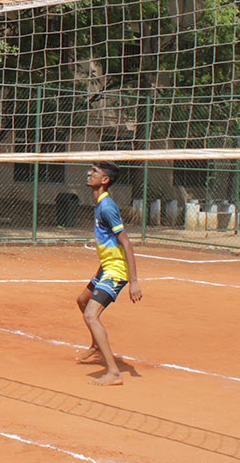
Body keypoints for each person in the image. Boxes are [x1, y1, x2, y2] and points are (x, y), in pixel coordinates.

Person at [75, 161, 142, 386]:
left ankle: (113, 373)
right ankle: (96, 344)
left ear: (105, 180)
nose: (89, 173)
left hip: (116, 270)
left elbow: (126, 243)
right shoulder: (99, 204)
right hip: (106, 266)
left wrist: (134, 282)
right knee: (82, 300)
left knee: (90, 315)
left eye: (94, 171)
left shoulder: (107, 207)